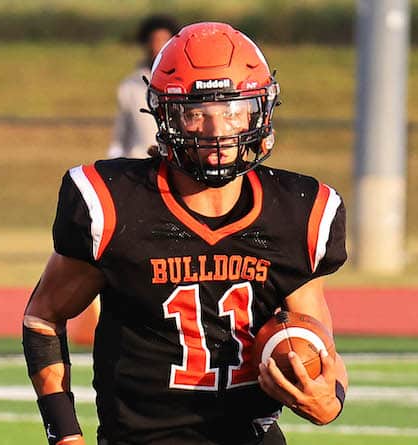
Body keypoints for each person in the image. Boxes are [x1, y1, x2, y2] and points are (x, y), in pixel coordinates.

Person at [23, 22, 349, 445]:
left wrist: (333, 396)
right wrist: (64, 433)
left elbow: (316, 337)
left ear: (260, 111)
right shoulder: (116, 204)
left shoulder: (297, 212)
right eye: (197, 113)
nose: (218, 132)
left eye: (234, 110)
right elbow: (44, 315)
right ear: (166, 115)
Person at [106, 14, 179, 159]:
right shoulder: (130, 85)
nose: (157, 46)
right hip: (139, 161)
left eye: (163, 40)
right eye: (154, 40)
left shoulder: (179, 83)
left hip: (172, 161)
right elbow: (122, 129)